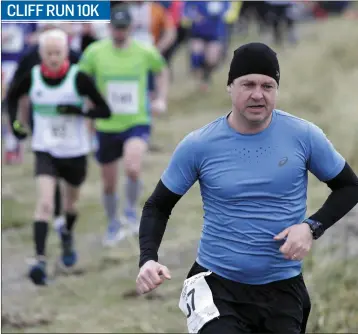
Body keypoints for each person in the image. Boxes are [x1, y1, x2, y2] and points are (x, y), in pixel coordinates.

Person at [136, 43, 358, 333]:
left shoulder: (304, 136)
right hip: (216, 286)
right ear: (230, 87)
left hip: (283, 288)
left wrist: (311, 227)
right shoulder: (199, 145)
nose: (258, 94)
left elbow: (349, 187)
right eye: (248, 84)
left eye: (268, 85)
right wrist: (148, 259)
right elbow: (158, 205)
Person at [7, 29, 111, 286]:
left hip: (75, 152)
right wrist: (16, 124)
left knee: (70, 206)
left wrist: (79, 110)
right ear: (41, 55)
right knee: (44, 204)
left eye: (58, 53)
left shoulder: (79, 78)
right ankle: (39, 260)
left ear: (66, 53)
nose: (53, 58)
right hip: (45, 150)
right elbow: (11, 96)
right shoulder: (32, 77)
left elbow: (105, 110)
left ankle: (66, 236)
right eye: (49, 53)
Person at [78, 4, 169, 247]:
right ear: (109, 28)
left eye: (123, 28)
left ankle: (130, 211)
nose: (119, 33)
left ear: (131, 27)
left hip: (136, 121)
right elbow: (81, 80)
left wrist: (160, 98)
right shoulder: (95, 52)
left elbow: (161, 70)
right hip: (106, 124)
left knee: (132, 167)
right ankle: (112, 223)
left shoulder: (144, 51)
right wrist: (87, 109)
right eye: (115, 28)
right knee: (108, 182)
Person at [182, 1, 230, 92]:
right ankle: (200, 76)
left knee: (211, 59)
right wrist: (194, 16)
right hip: (197, 33)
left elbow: (225, 10)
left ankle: (206, 76)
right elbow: (186, 10)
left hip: (215, 33)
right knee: (196, 53)